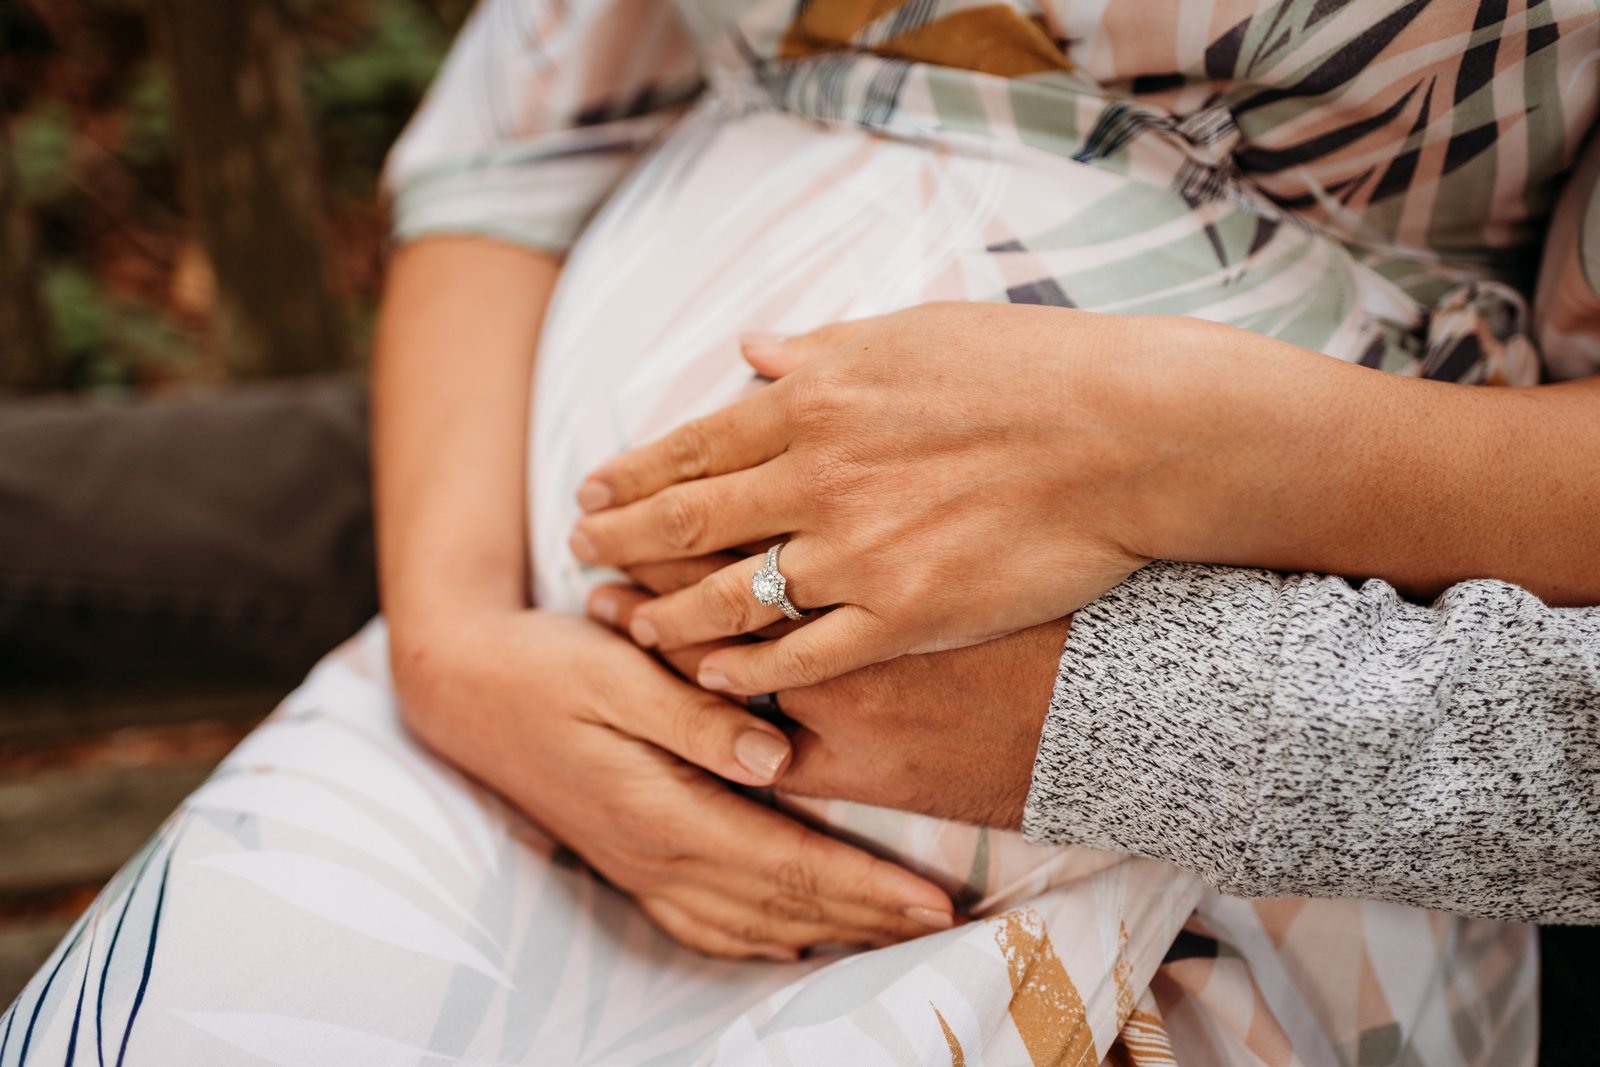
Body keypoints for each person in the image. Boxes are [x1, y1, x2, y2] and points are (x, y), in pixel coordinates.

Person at [7, 1, 1598, 1063]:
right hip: (505, 746)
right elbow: (513, 149)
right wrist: (452, 641)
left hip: (1177, 896)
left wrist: (1185, 453)